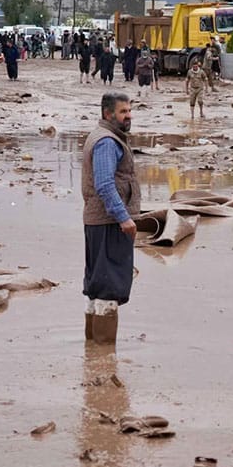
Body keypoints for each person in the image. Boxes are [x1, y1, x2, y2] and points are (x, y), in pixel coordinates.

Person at [81, 92, 140, 343]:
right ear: (108, 114)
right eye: (123, 112)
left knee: (98, 287)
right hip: (109, 224)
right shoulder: (107, 142)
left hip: (100, 222)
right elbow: (105, 184)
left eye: (129, 111)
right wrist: (124, 218)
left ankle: (92, 352)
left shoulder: (105, 136)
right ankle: (104, 357)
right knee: (108, 287)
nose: (128, 116)